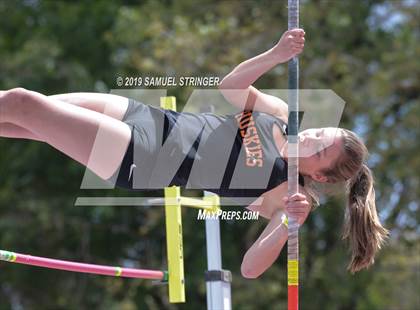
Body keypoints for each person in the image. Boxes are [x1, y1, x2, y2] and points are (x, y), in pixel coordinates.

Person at [0, 29, 388, 278]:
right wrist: (275, 54)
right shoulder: (280, 116)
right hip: (149, 118)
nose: (311, 138)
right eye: (320, 132)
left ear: (320, 174)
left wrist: (289, 223)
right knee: (18, 121)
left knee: (22, 104)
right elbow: (230, 87)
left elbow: (250, 268)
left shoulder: (287, 197)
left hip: (141, 156)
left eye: (319, 149)